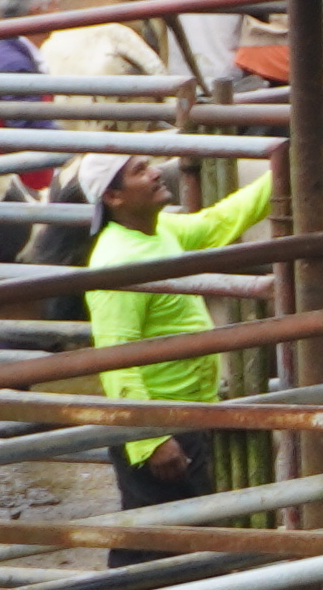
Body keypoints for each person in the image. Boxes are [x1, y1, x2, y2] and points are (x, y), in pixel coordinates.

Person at [70, 156, 277, 510]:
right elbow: (115, 357)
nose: (155, 173)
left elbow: (216, 224)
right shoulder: (118, 263)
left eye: (148, 165)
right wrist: (150, 440)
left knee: (189, 535)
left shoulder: (159, 230)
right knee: (157, 544)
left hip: (186, 416)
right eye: (140, 172)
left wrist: (282, 174)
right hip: (160, 424)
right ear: (114, 197)